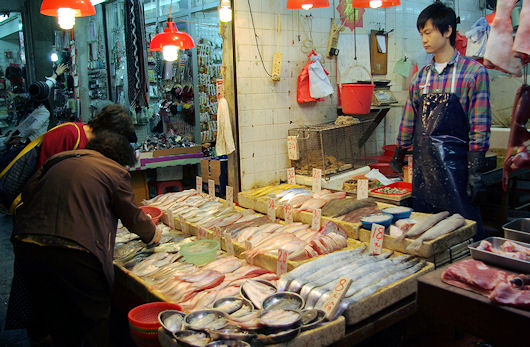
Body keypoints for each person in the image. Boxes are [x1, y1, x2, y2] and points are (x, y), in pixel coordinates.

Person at [11, 131, 162, 346]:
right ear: (119, 158)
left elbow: (28, 193)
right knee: (95, 317)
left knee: (54, 311)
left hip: (27, 243)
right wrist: (152, 234)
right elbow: (133, 216)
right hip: (75, 250)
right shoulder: (113, 170)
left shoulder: (59, 158)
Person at [389, 2, 491, 240]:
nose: (423, 39)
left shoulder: (474, 73)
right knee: (427, 231)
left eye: (428, 32)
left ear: (447, 31)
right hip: (424, 168)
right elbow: (409, 116)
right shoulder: (421, 77)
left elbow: (479, 125)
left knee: (463, 231)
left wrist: (476, 170)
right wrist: (400, 150)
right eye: (421, 34)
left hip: (458, 167)